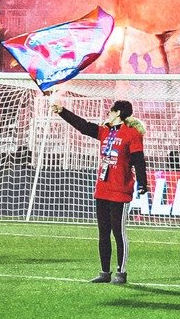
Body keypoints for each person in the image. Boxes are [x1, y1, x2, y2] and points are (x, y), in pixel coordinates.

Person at [54, 97, 147, 284]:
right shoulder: (105, 132)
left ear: (118, 113)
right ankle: (105, 272)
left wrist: (142, 183)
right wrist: (63, 111)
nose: (107, 114)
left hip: (120, 190)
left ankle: (122, 273)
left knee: (118, 232)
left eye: (110, 111)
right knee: (103, 232)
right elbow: (83, 126)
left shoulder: (132, 134)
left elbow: (138, 160)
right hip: (103, 189)